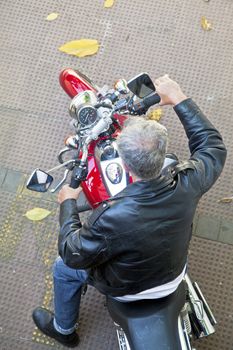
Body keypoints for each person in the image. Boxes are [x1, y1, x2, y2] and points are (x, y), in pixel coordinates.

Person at [32, 75, 227, 347]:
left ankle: (63, 328)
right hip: (172, 276)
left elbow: (72, 252)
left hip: (126, 291)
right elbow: (212, 147)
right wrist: (179, 97)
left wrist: (67, 203)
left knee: (63, 268)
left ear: (124, 162)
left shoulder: (109, 217)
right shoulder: (188, 183)